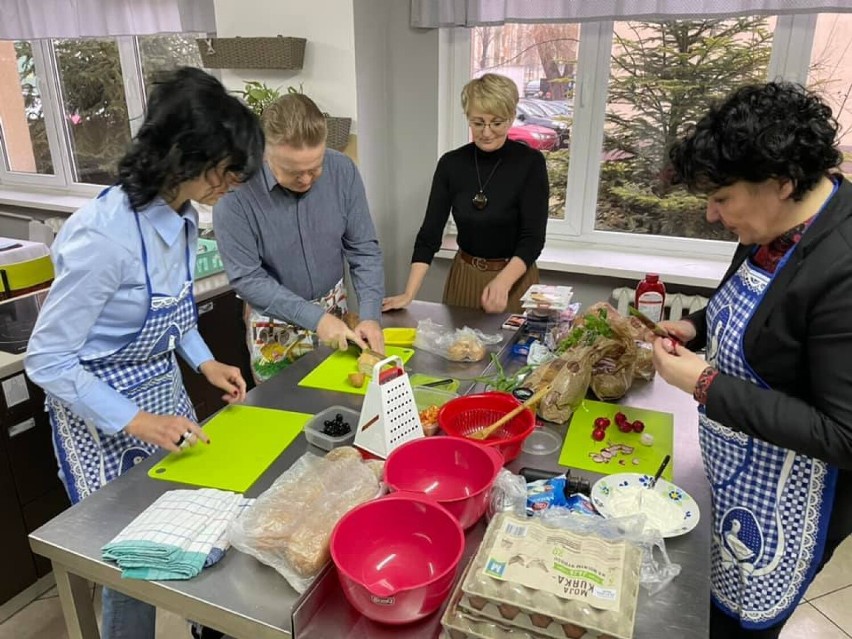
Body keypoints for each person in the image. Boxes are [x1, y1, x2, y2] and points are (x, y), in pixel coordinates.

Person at [25, 67, 262, 639]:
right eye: (226, 171)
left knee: (196, 531)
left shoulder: (180, 217)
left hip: (165, 399)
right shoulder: (102, 237)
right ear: (187, 157)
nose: (231, 184)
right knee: (131, 564)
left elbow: (173, 311)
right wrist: (135, 420)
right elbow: (47, 360)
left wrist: (204, 360)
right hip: (101, 416)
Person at [653, 82, 851, 638]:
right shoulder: (772, 223)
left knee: (737, 626)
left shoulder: (844, 266)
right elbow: (741, 298)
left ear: (781, 182)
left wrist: (707, 385)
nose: (713, 216)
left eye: (722, 198)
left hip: (794, 497)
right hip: (737, 461)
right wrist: (693, 327)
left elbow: (844, 434)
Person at [213, 93, 384, 382]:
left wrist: (369, 315)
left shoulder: (342, 171)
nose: (305, 180)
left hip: (336, 316)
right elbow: (247, 279)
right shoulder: (235, 195)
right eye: (293, 171)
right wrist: (315, 319)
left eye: (315, 168)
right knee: (285, 412)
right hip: (274, 325)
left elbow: (363, 249)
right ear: (265, 151)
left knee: (339, 406)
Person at [383, 73, 548, 314]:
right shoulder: (451, 164)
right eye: (478, 123)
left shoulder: (530, 163)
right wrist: (409, 294)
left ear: (512, 117)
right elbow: (429, 234)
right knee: (458, 350)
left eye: (497, 123)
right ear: (468, 118)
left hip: (514, 281)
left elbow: (533, 238)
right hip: (464, 278)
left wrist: (503, 282)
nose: (487, 132)